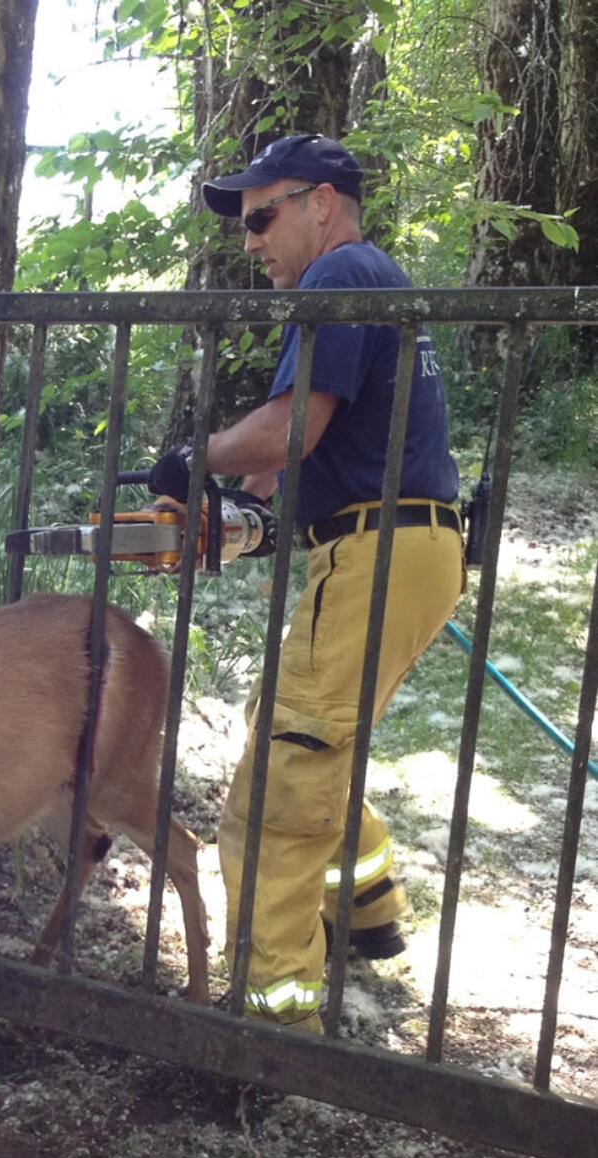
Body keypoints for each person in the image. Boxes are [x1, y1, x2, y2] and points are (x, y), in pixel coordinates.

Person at [149, 133, 464, 1032]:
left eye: (263, 215)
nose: (251, 242)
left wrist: (189, 459)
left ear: (321, 202)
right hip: (398, 548)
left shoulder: (340, 279)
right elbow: (305, 447)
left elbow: (293, 429)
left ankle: (268, 1035)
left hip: (380, 552)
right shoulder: (370, 276)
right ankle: (364, 907)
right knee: (295, 731)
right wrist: (243, 505)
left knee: (271, 802)